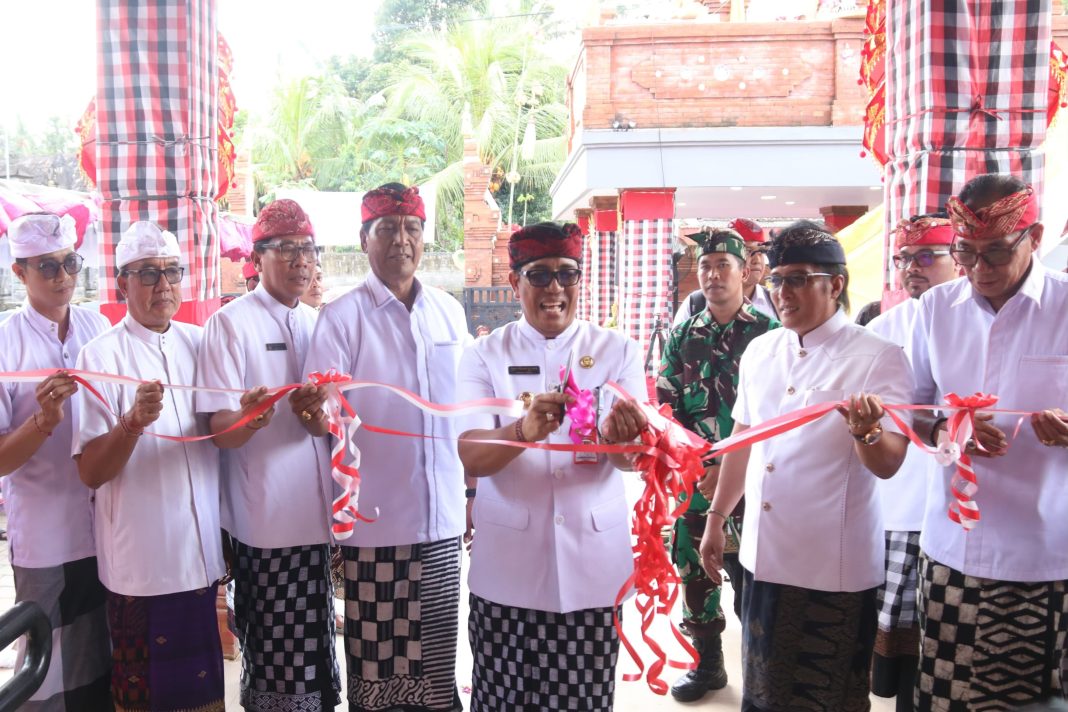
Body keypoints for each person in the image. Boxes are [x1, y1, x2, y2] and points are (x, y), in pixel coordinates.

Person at [703, 220, 913, 711]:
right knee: (763, 692)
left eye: (797, 279)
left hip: (830, 566)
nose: (782, 292)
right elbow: (743, 440)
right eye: (777, 280)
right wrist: (716, 518)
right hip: (762, 553)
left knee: (824, 697)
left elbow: (888, 464)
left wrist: (865, 432)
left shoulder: (878, 357)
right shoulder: (762, 350)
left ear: (834, 284)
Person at [456, 221, 649, 712]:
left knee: (584, 703)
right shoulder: (484, 354)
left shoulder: (618, 351)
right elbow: (471, 452)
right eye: (539, 276)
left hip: (593, 569)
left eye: (568, 274)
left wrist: (620, 440)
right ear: (516, 281)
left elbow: (634, 461)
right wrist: (523, 431)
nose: (555, 288)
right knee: (502, 702)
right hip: (508, 573)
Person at [304, 183, 469, 712]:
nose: (402, 240)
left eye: (412, 228)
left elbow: (468, 409)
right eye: (388, 229)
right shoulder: (341, 318)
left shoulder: (448, 312)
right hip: (374, 527)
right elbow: (321, 417)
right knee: (378, 673)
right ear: (364, 240)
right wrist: (315, 411)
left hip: (441, 520)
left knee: (439, 670)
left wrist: (471, 494)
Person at [909, 174, 1068, 709]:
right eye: (966, 254)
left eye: (996, 253)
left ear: (1035, 236)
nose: (980, 270)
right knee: (950, 697)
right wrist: (948, 432)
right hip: (954, 551)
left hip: (1050, 552)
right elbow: (913, 411)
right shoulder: (936, 310)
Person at [73, 222, 226, 712]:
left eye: (171, 272)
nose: (163, 285)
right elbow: (91, 472)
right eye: (147, 274)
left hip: (199, 557)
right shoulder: (99, 356)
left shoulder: (203, 343)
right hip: (140, 566)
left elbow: (224, 431)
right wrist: (132, 422)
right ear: (122, 284)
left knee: (203, 696)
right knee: (146, 699)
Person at [197, 199, 340, 711]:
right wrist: (250, 419)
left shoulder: (320, 322)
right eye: (287, 250)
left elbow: (334, 423)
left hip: (318, 520)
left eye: (308, 250)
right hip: (265, 525)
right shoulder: (231, 325)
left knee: (317, 654)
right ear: (258, 259)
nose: (301, 261)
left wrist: (319, 419)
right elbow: (218, 431)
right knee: (277, 658)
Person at [656, 229, 780, 702]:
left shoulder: (769, 335)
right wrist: (701, 461)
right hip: (697, 476)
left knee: (756, 575)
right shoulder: (684, 334)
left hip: (757, 482)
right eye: (705, 266)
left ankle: (761, 672)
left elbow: (776, 415)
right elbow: (668, 409)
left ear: (744, 271)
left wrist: (731, 464)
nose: (712, 275)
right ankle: (708, 665)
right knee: (693, 569)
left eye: (722, 265)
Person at [0, 213, 113, 710]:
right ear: (19, 273)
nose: (64, 276)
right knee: (44, 667)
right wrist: (43, 419)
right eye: (48, 266)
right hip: (44, 532)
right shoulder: (6, 342)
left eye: (70, 262)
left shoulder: (98, 327)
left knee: (100, 658)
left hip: (106, 525)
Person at [865, 212, 958, 710]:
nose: (912, 269)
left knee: (946, 641)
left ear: (957, 260)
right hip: (901, 501)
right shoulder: (883, 329)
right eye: (904, 259)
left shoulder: (974, 318)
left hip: (963, 506)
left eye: (926, 257)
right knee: (901, 643)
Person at [673, 217, 777, 325]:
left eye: (761, 251)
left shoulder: (776, 302)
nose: (757, 260)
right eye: (748, 251)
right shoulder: (694, 304)